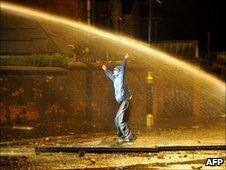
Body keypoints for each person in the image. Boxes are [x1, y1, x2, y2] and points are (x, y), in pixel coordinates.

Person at [102, 53, 137, 143]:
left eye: (115, 69)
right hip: (122, 102)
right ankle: (121, 136)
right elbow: (110, 75)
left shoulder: (121, 76)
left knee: (121, 120)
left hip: (126, 101)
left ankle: (130, 137)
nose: (113, 70)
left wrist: (125, 59)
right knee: (116, 119)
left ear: (119, 71)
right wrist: (106, 70)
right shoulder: (116, 79)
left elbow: (123, 68)